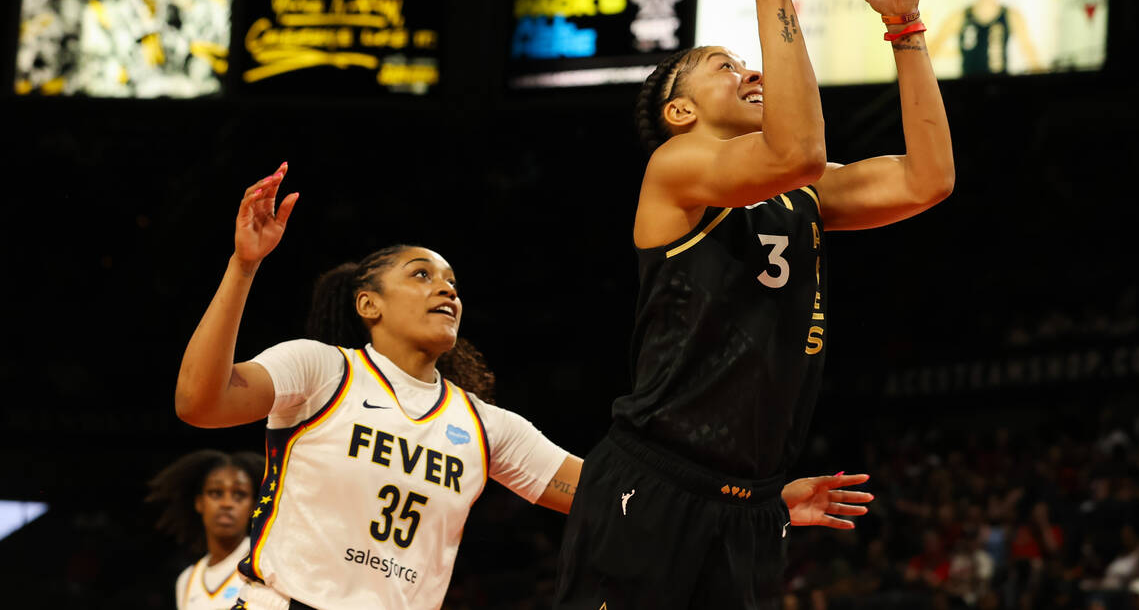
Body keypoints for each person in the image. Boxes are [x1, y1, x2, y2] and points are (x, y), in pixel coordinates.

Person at [175, 163, 876, 610]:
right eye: (421, 275)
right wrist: (243, 267)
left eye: (452, 281)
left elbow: (624, 505)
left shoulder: (484, 425)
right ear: (369, 303)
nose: (445, 289)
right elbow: (201, 404)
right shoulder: (322, 370)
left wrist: (760, 501)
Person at [553, 0, 954, 609]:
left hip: (751, 505)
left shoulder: (799, 188)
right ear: (679, 113)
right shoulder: (675, 168)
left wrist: (904, 27)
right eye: (722, 67)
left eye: (744, 61)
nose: (748, 69)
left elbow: (926, 180)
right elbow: (795, 150)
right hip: (654, 480)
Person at [146, 449, 265, 609]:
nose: (227, 503)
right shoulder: (187, 580)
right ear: (199, 502)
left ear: (253, 506)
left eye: (239, 494)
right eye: (216, 493)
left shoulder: (264, 563)